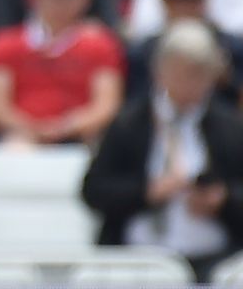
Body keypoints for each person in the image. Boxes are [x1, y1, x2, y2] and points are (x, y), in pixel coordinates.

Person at [82, 19, 243, 282]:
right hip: (136, 262)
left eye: (200, 73)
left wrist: (223, 200)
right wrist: (146, 192)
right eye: (184, 72)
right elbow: (93, 191)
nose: (192, 83)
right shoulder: (129, 123)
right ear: (161, 71)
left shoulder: (231, 128)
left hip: (214, 262)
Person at [0, 0, 124, 146]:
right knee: (12, 153)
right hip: (21, 136)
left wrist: (69, 126)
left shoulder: (101, 45)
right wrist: (32, 128)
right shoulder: (4, 44)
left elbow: (106, 105)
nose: (59, 1)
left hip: (81, 137)